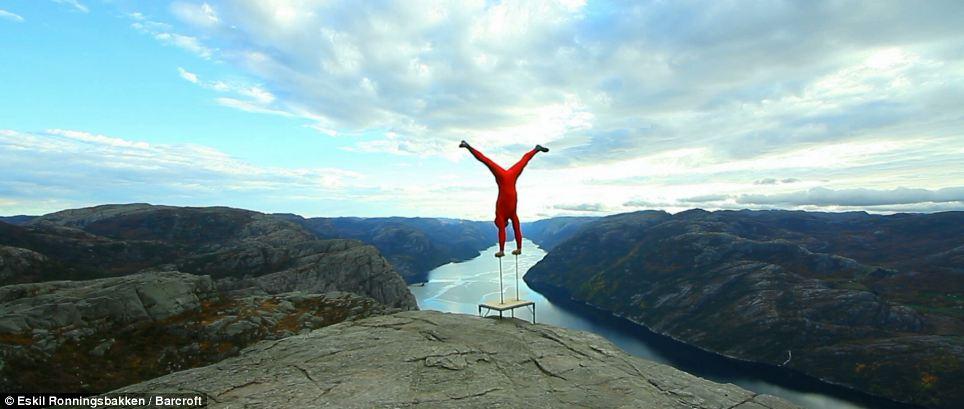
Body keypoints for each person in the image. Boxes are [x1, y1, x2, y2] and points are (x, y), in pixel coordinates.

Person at [460, 140, 548, 257]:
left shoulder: (506, 215)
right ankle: (536, 149)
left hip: (507, 177)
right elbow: (512, 231)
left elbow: (508, 231)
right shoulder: (505, 215)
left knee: (492, 161)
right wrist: (517, 249)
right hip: (508, 176)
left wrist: (505, 250)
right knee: (517, 161)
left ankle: (536, 149)